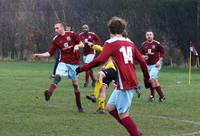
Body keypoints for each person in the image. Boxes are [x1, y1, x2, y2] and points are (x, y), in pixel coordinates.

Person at [76, 16, 151, 136]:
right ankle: (135, 132)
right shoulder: (130, 42)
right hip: (127, 81)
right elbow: (142, 61)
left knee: (123, 114)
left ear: (110, 30)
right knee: (110, 108)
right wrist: (147, 80)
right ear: (122, 30)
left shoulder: (110, 43)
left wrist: (82, 68)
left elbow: (100, 60)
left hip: (125, 83)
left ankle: (136, 134)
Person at [32, 21, 84, 112]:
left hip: (75, 63)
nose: (56, 30)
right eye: (55, 28)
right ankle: (49, 93)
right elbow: (49, 53)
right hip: (63, 62)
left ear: (62, 27)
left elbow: (82, 44)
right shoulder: (56, 39)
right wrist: (39, 55)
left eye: (57, 28)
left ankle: (79, 106)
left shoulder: (72, 34)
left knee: (75, 85)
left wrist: (77, 46)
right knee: (57, 76)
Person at [86, 43, 118, 114]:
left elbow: (99, 48)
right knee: (102, 90)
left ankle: (94, 95)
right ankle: (101, 108)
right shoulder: (110, 50)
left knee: (100, 73)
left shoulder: (112, 51)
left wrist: (92, 45)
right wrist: (92, 45)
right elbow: (99, 48)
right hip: (111, 72)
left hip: (112, 70)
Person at [139, 31, 166, 102]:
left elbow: (163, 53)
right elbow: (140, 54)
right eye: (147, 35)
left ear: (153, 36)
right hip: (147, 65)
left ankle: (152, 96)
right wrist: (143, 56)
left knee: (151, 79)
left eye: (150, 35)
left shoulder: (157, 44)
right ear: (145, 36)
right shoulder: (143, 44)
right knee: (154, 80)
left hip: (155, 65)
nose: (149, 36)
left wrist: (159, 61)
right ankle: (162, 97)